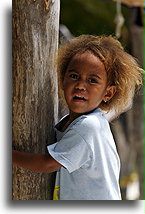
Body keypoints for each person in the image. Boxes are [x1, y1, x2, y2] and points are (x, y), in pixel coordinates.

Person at [12, 35, 143, 200]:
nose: (81, 85)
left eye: (92, 80)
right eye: (74, 76)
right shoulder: (71, 122)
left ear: (108, 93)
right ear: (62, 80)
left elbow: (48, 163)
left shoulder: (89, 126)